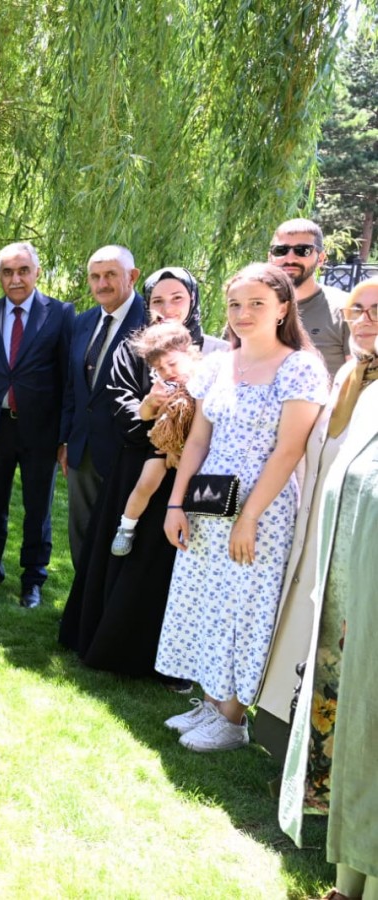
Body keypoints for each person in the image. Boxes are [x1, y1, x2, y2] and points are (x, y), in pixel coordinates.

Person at [157, 263, 328, 752]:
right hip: (210, 501)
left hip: (262, 510)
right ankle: (211, 702)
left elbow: (289, 449)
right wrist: (176, 503)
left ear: (282, 309)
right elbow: (196, 442)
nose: (244, 313)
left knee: (242, 606)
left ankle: (233, 718)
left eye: (257, 303)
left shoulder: (299, 366)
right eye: (235, 304)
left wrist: (250, 516)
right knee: (207, 599)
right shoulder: (218, 364)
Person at [59, 267, 228, 678]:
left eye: (177, 299)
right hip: (140, 468)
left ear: (193, 301)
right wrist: (151, 410)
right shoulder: (131, 350)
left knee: (192, 563)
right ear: (147, 303)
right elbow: (121, 415)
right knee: (133, 565)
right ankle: (119, 650)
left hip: (204, 476)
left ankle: (186, 664)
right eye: (158, 301)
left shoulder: (220, 352)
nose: (167, 309)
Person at [276, 280, 378, 900]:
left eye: (377, 311)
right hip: (347, 589)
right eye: (356, 311)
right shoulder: (362, 381)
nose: (363, 319)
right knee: (351, 722)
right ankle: (348, 877)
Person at [0, 242, 74, 609]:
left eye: (23, 270)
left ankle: (33, 580)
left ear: (37, 272)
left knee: (37, 509)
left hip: (40, 431)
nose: (15, 279)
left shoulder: (60, 314)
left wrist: (65, 435)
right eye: (8, 272)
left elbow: (68, 378)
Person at [61, 245, 146, 565]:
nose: (102, 284)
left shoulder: (150, 322)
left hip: (127, 450)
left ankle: (108, 611)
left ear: (132, 276)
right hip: (82, 449)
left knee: (120, 536)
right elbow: (73, 387)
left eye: (111, 275)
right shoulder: (82, 323)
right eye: (95, 277)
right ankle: (81, 610)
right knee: (81, 533)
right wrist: (67, 438)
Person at [110, 322, 199, 555]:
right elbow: (146, 415)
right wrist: (150, 401)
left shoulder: (203, 379)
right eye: (159, 368)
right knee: (147, 482)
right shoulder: (164, 387)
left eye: (172, 363)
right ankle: (126, 526)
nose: (167, 371)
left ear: (188, 353)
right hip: (164, 441)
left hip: (195, 445)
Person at [267, 217, 349, 379]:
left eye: (302, 250)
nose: (290, 258)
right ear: (270, 257)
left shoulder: (345, 309)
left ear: (320, 258)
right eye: (280, 250)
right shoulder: (251, 305)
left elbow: (360, 377)